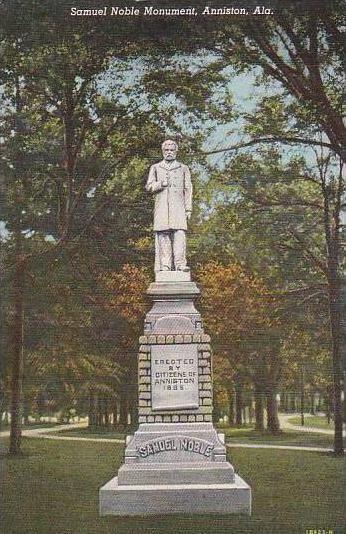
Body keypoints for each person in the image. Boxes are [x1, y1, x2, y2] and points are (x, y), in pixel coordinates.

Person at [146, 140, 192, 272]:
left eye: (172, 150)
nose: (169, 152)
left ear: (176, 151)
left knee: (179, 234)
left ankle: (180, 264)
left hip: (179, 208)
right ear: (162, 151)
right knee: (163, 235)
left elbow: (188, 189)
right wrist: (160, 184)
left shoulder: (183, 168)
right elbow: (149, 187)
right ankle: (165, 265)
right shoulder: (155, 167)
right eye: (166, 150)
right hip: (162, 208)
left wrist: (188, 208)